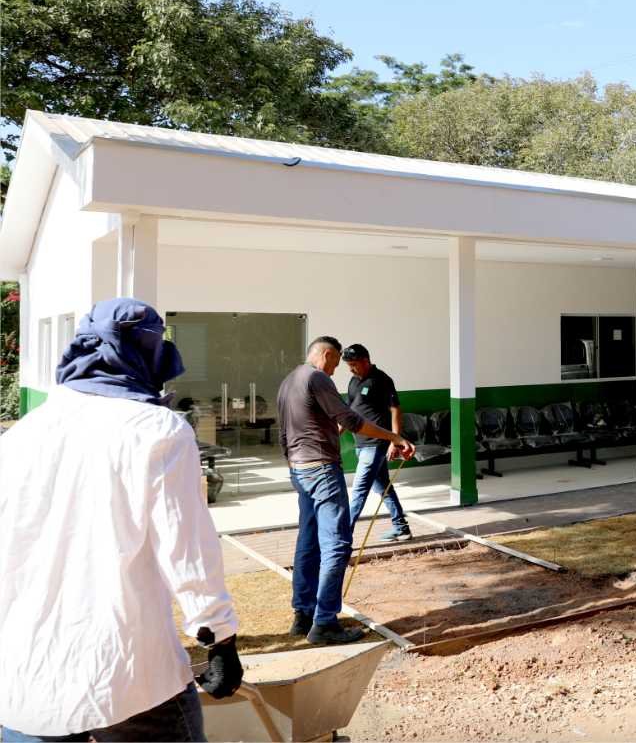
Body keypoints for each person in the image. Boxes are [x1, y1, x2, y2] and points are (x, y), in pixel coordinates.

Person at [0, 299, 242, 741]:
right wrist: (219, 637)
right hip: (128, 672)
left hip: (27, 671)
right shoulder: (159, 430)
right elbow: (187, 551)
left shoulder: (22, 435)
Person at [278, 336, 413, 646]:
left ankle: (303, 614)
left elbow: (284, 432)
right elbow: (351, 420)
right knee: (337, 544)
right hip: (322, 470)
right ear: (326, 354)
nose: (336, 370)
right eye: (336, 363)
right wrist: (394, 437)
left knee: (308, 541)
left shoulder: (289, 380)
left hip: (299, 469)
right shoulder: (317, 378)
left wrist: (293, 465)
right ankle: (325, 622)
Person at [343, 344, 412, 542]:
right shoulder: (353, 381)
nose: (351, 369)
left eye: (354, 364)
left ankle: (342, 539)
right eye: (349, 365)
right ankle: (401, 527)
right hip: (361, 444)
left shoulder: (381, 380)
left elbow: (395, 410)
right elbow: (348, 413)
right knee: (383, 487)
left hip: (376, 444)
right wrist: (333, 434)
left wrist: (394, 441)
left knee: (358, 491)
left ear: (365, 361)